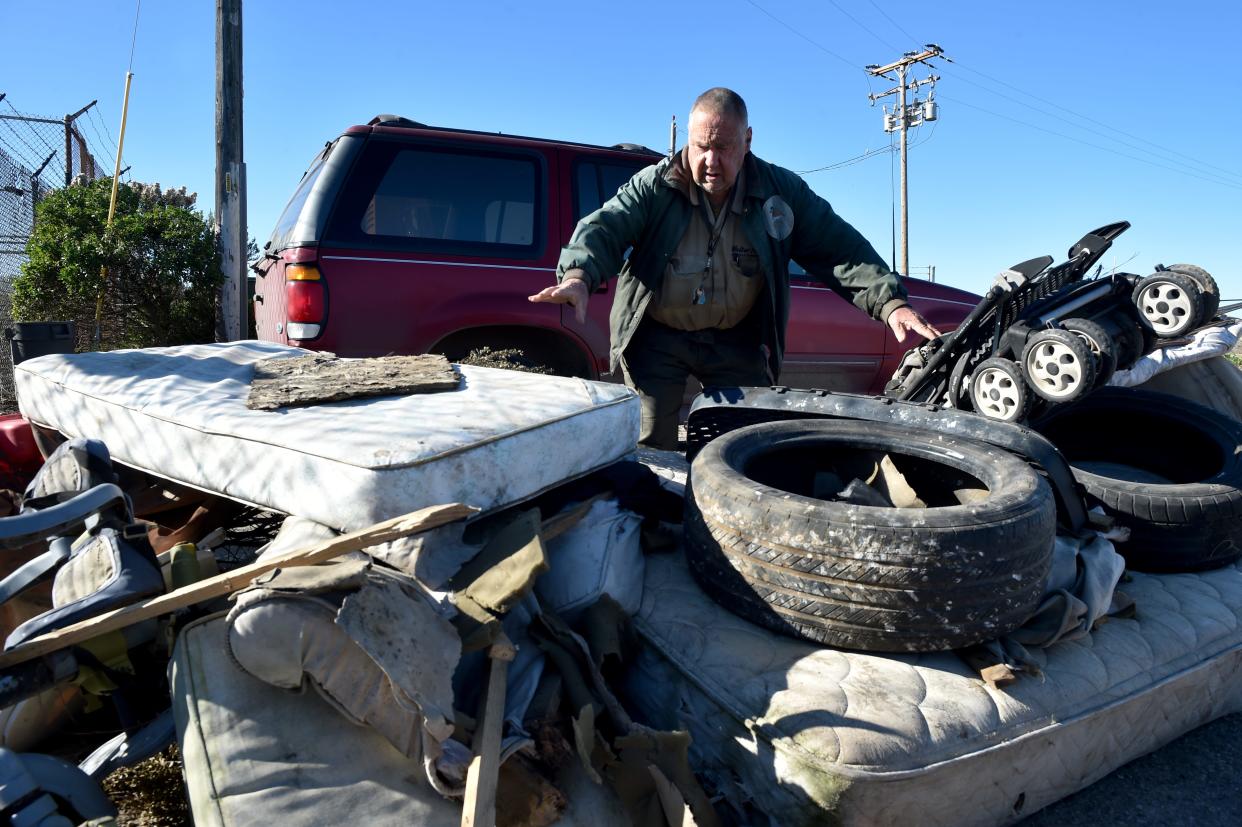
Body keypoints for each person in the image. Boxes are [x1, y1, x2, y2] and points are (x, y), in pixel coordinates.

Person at [529, 87, 940, 449]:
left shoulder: (781, 193)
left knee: (744, 442)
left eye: (723, 147)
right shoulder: (654, 186)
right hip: (657, 337)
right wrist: (578, 277)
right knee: (649, 442)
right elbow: (604, 227)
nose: (710, 160)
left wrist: (890, 304)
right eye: (699, 146)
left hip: (736, 340)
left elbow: (839, 248)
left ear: (747, 140)